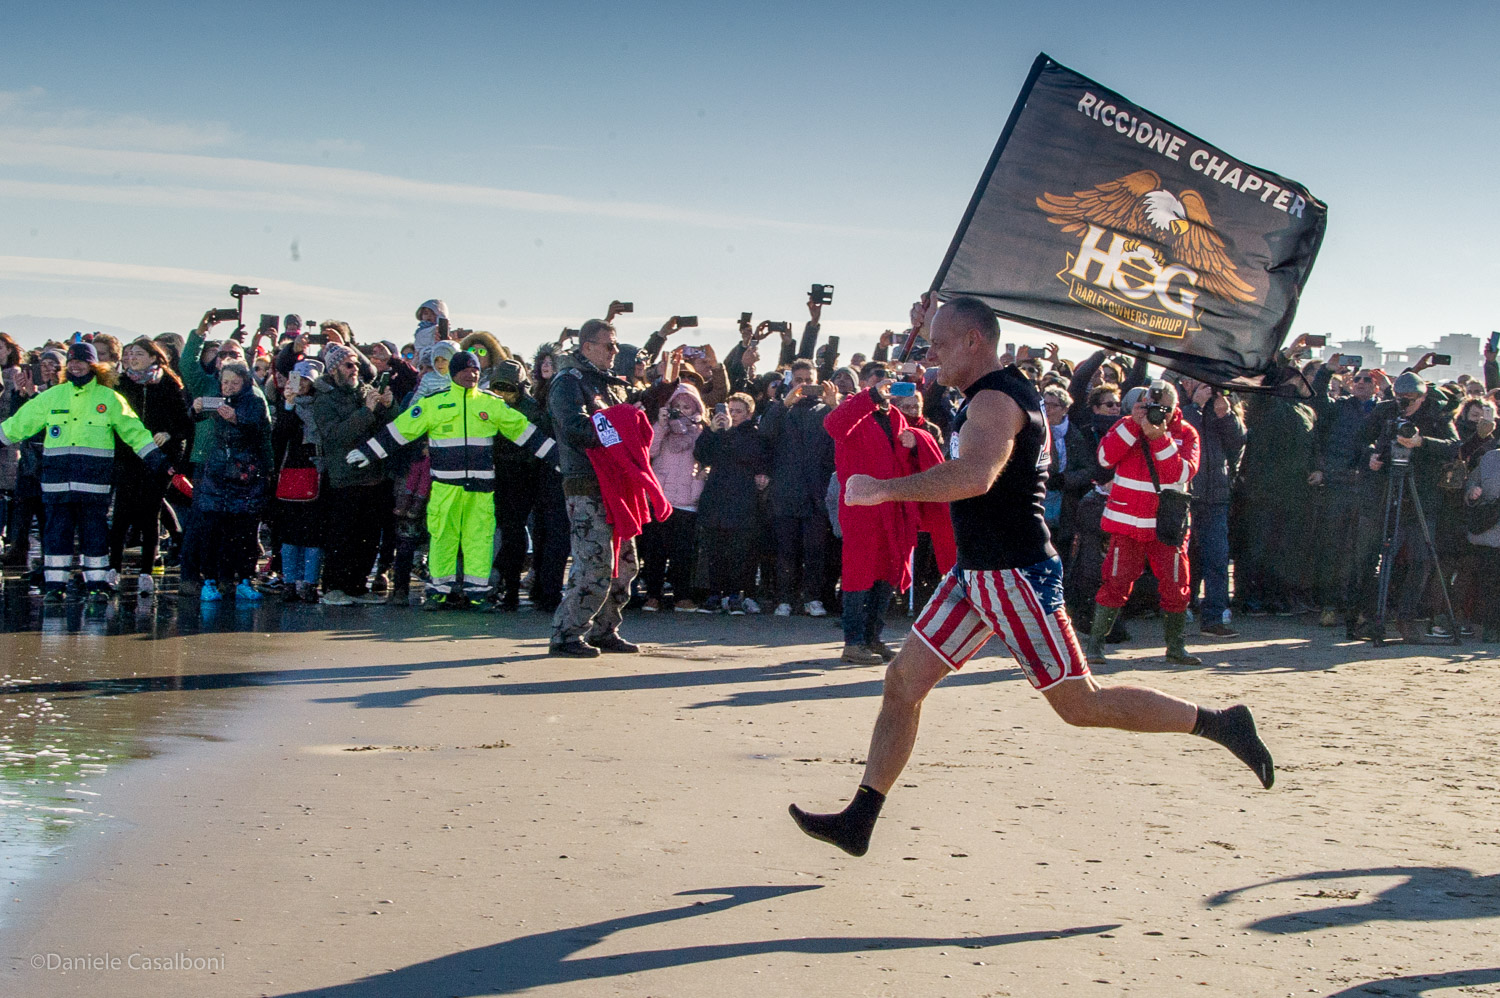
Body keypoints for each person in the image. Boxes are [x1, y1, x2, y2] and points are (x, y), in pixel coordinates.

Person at [788, 295, 1272, 858]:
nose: (932, 354)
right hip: (975, 574)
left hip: (1014, 574)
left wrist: (882, 490)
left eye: (941, 344)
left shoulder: (995, 400)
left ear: (975, 342)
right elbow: (933, 382)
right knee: (902, 683)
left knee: (1080, 704)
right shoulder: (991, 388)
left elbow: (975, 476)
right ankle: (861, 818)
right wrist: (926, 326)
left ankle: (1220, 724)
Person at [348, 350, 558, 609]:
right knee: (442, 539)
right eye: (465, 370)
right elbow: (402, 429)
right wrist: (368, 452)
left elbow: (524, 432)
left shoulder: (491, 403)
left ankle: (477, 594)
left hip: (480, 489)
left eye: (475, 370)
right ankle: (438, 592)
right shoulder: (434, 403)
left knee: (479, 541)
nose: (472, 374)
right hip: (446, 488)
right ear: (454, 373)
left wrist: (557, 457)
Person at [0, 341, 169, 601]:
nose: (76, 366)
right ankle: (55, 585)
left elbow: (133, 430)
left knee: (94, 533)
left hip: (93, 481)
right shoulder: (53, 396)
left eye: (81, 361)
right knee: (57, 533)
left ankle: (97, 584)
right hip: (58, 480)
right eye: (72, 361)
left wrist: (156, 458)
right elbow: (20, 423)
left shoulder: (109, 398)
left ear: (93, 365)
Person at [1084, 381, 1203, 666]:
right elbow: (1104, 458)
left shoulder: (1186, 433)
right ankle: (1095, 646)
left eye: (1164, 409)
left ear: (1175, 408)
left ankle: (1176, 648)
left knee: (1176, 585)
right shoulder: (1127, 425)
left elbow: (1181, 473)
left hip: (1166, 527)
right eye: (1152, 406)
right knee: (1115, 583)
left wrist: (1160, 438)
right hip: (1127, 524)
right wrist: (1133, 425)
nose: (1158, 413)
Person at [546, 318, 643, 656]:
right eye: (609, 345)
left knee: (625, 565)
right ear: (587, 347)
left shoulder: (608, 383)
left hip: (616, 485)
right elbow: (574, 426)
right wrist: (618, 430)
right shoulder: (568, 383)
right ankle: (567, 633)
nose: (615, 351)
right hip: (586, 483)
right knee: (595, 563)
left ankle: (605, 629)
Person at [824, 363, 921, 664]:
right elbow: (833, 426)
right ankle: (853, 642)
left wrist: (917, 441)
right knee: (859, 572)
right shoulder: (854, 408)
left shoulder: (896, 417)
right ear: (866, 382)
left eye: (888, 380)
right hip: (861, 507)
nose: (884, 384)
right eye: (878, 380)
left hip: (891, 505)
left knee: (888, 571)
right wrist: (870, 397)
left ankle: (872, 638)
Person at [108, 337, 193, 596]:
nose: (132, 358)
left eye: (138, 354)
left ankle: (146, 571)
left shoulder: (168, 383)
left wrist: (169, 435)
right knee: (121, 513)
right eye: (130, 354)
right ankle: (113, 569)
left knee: (150, 513)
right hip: (127, 456)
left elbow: (185, 424)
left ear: (154, 357)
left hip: (158, 458)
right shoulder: (120, 383)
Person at [311, 343, 395, 605]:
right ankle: (333, 587)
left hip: (374, 476)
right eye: (348, 365)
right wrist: (366, 411)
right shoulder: (324, 399)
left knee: (368, 538)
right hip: (344, 478)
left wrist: (389, 405)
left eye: (356, 364)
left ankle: (357, 586)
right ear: (334, 369)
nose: (354, 369)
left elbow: (392, 427)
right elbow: (335, 435)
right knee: (342, 537)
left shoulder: (366, 391)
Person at [759, 359, 836, 617]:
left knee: (815, 551)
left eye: (809, 380)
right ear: (791, 381)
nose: (804, 384)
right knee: (785, 551)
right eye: (799, 380)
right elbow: (765, 433)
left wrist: (834, 405)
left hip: (816, 493)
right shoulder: (782, 409)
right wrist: (784, 404)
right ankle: (784, 598)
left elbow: (845, 436)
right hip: (786, 492)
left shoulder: (826, 410)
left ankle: (812, 598)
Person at [190, 361, 271, 601]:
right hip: (216, 473)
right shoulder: (215, 400)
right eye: (225, 382)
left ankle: (245, 580)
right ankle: (210, 581)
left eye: (234, 383)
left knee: (244, 532)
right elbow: (192, 420)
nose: (228, 387)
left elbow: (260, 431)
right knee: (212, 531)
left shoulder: (254, 402)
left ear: (245, 383)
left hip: (245, 474)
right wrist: (195, 409)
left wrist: (237, 419)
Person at [694, 393, 771, 614]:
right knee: (715, 551)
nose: (732, 415)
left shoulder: (754, 435)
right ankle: (715, 594)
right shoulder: (717, 432)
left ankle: (736, 594)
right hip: (716, 498)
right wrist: (711, 430)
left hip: (741, 500)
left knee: (739, 551)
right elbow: (701, 454)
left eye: (738, 411)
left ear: (749, 414)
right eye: (730, 410)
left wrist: (729, 431)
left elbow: (747, 455)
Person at [1180, 381, 1247, 638]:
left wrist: (1225, 415)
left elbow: (1238, 443)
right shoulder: (1182, 410)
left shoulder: (1223, 411)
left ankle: (1214, 618)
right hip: (1186, 494)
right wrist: (1195, 406)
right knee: (1181, 557)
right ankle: (1178, 610)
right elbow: (1177, 435)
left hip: (1216, 496)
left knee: (1217, 557)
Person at [641, 382, 708, 611]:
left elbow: (707, 456)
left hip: (688, 497)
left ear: (696, 408)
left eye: (686, 407)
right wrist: (661, 425)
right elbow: (649, 451)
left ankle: (682, 596)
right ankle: (653, 595)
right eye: (676, 406)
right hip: (660, 497)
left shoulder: (702, 431)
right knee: (655, 550)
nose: (681, 411)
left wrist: (701, 478)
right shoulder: (661, 428)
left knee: (683, 552)